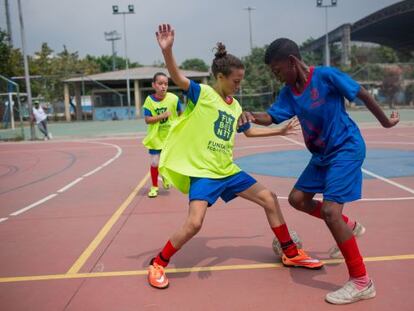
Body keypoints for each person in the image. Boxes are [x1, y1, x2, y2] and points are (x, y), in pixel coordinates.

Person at [147, 24, 324, 290]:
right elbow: (177, 76)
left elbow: (248, 131)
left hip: (227, 170)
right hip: (204, 172)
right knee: (194, 224)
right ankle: (158, 263)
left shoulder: (235, 105)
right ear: (220, 76)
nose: (239, 86)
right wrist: (168, 51)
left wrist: (279, 130)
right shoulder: (203, 94)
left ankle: (290, 252)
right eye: (236, 81)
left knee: (269, 198)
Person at [238, 38, 400, 304]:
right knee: (297, 199)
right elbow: (273, 116)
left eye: (278, 71)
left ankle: (362, 281)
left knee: (330, 212)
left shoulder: (325, 76)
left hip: (345, 148)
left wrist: (385, 122)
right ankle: (351, 227)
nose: (277, 77)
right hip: (322, 155)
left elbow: (362, 93)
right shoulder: (289, 92)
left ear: (292, 62)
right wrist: (251, 115)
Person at [142, 72, 183, 198]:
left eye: (166, 84)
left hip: (170, 136)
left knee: (167, 161)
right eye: (160, 83)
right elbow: (147, 119)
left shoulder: (173, 99)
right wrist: (162, 116)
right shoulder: (149, 101)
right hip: (156, 137)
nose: (163, 86)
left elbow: (181, 112)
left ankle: (165, 176)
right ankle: (154, 186)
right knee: (155, 163)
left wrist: (180, 123)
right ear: (154, 85)